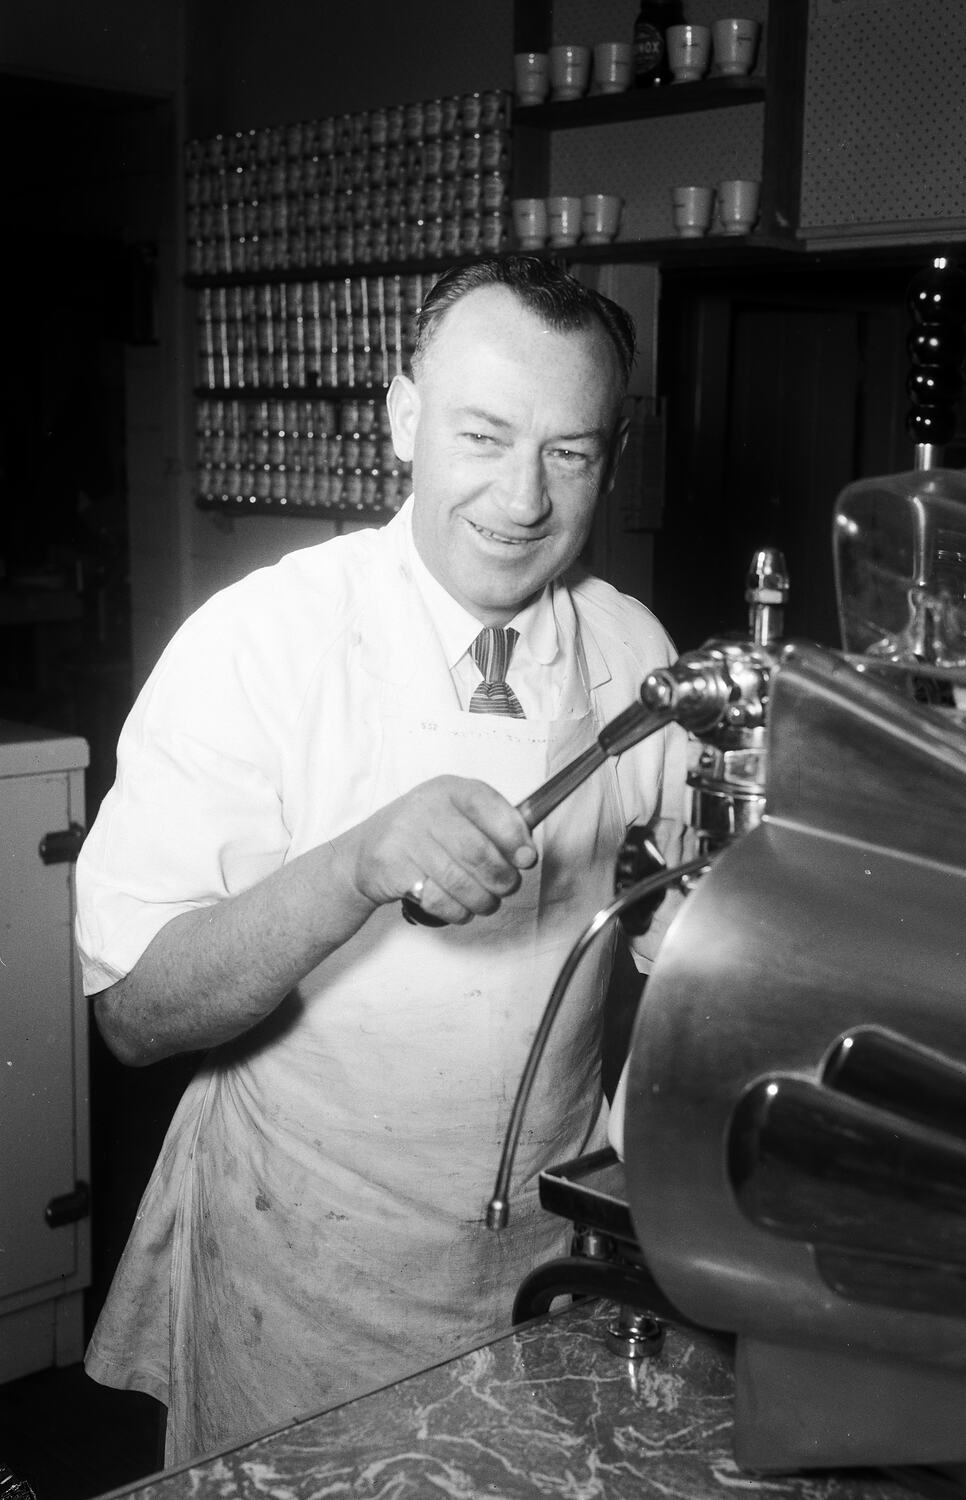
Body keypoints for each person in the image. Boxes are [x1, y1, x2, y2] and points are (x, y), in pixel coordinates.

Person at [76, 254, 687, 1465]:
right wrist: (353, 865)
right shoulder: (264, 641)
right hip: (300, 1266)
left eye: (569, 452)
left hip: (538, 1259)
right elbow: (136, 1016)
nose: (522, 499)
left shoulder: (631, 652)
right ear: (404, 420)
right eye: (483, 434)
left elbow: (681, 943)